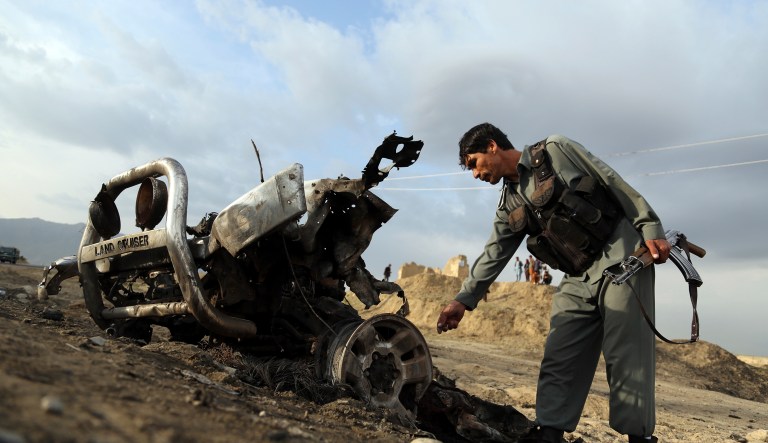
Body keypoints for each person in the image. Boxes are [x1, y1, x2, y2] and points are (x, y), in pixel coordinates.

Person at [436, 123, 670, 443]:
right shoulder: (509, 204)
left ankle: (638, 437)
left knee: (627, 353)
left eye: (474, 164)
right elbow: (495, 252)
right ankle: (549, 433)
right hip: (577, 277)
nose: (475, 174)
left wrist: (649, 226)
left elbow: (610, 180)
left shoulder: (555, 151)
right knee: (560, 352)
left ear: (492, 146)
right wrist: (463, 300)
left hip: (622, 258)